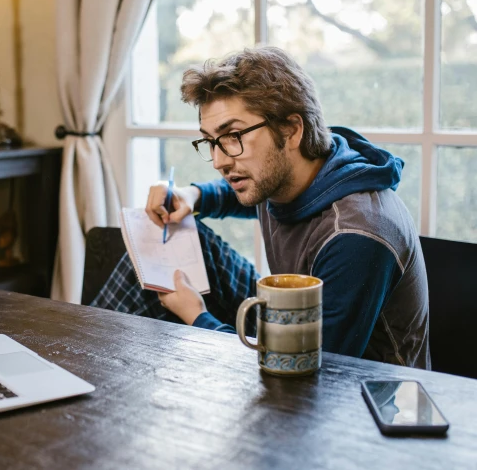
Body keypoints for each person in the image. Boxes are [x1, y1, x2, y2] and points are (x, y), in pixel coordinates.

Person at [91, 46, 429, 369]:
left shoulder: (357, 234)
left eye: (234, 136)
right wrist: (192, 195)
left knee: (176, 303)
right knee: (165, 238)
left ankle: (91, 374)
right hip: (295, 329)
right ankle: (88, 361)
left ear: (292, 129)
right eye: (211, 142)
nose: (220, 161)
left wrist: (197, 317)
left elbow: (308, 371)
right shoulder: (289, 173)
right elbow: (241, 198)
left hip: (358, 398)